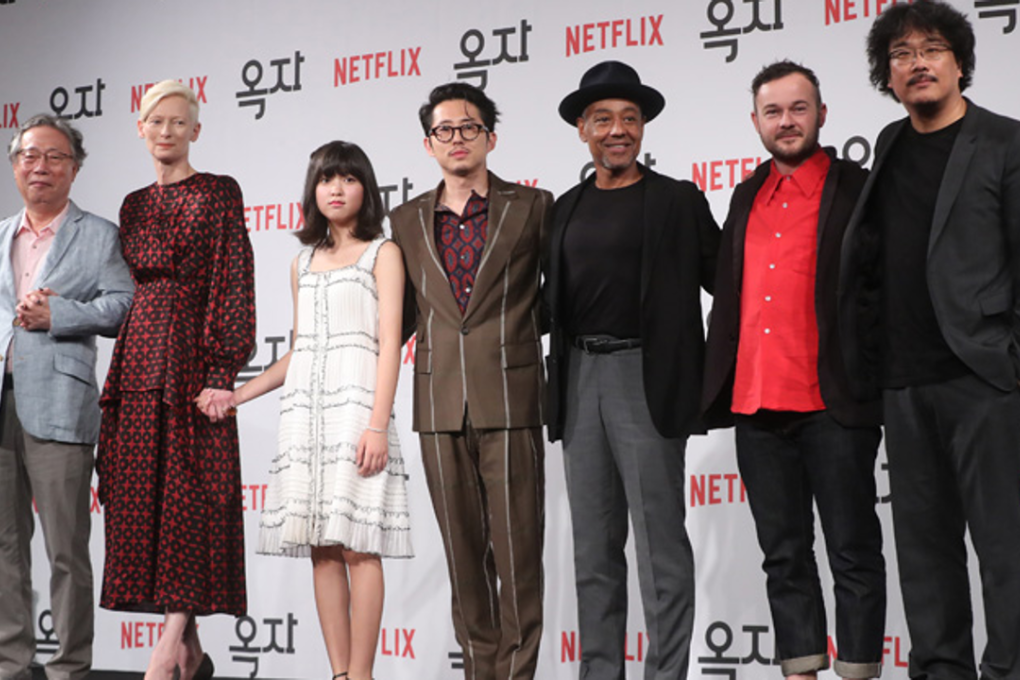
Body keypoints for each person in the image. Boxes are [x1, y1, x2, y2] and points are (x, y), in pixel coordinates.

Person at [839, 3, 1020, 678]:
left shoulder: (1004, 142)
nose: (917, 62)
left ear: (961, 62)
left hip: (984, 382)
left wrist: (1010, 362)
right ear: (887, 74)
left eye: (933, 48)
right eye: (902, 54)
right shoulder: (888, 145)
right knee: (924, 553)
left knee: (1006, 551)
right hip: (903, 384)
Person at [702, 61, 885, 680]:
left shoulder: (858, 188)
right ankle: (799, 671)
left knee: (853, 553)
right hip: (756, 409)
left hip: (834, 405)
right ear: (756, 121)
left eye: (799, 108)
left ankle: (858, 670)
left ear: (822, 115)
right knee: (783, 557)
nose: (787, 122)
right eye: (774, 111)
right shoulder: (746, 195)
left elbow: (880, 291)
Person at [545, 60, 720, 680]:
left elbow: (728, 283)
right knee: (593, 551)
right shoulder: (562, 209)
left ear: (642, 128)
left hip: (648, 377)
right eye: (603, 120)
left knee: (659, 548)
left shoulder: (677, 199)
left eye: (629, 119)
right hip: (579, 380)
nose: (617, 130)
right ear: (582, 131)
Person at [225, 141, 411, 680]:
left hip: (359, 412)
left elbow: (391, 340)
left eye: (348, 179)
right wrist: (240, 394)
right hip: (305, 414)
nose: (335, 188)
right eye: (326, 179)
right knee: (323, 550)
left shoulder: (384, 253)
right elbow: (301, 349)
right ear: (313, 189)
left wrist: (378, 423)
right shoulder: (301, 261)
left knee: (360, 549)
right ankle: (338, 674)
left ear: (365, 189)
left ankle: (363, 674)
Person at [389, 82, 552, 680]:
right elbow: (401, 315)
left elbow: (554, 299)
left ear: (490, 136)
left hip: (510, 396)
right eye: (444, 130)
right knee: (463, 560)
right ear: (428, 143)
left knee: (519, 559)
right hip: (436, 403)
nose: (456, 139)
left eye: (468, 127)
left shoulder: (532, 207)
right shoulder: (404, 219)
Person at [96, 80, 256, 680]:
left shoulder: (219, 192)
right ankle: (189, 650)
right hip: (137, 357)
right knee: (146, 501)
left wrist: (221, 369)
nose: (166, 131)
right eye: (155, 121)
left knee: (189, 500)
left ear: (196, 128)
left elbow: (234, 279)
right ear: (141, 129)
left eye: (178, 121)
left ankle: (165, 651)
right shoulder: (132, 204)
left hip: (192, 358)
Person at [0, 115, 133, 680]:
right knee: (5, 546)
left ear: (75, 167)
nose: (40, 166)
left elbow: (122, 305)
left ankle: (70, 664)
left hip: (60, 402)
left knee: (65, 550)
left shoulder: (99, 234)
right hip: (2, 399)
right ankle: (11, 659)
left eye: (54, 157)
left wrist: (62, 314)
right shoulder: (1, 231)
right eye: (30, 155)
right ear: (14, 166)